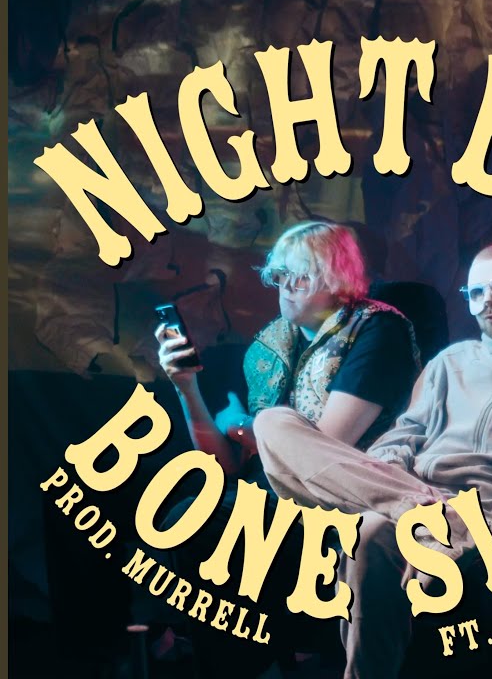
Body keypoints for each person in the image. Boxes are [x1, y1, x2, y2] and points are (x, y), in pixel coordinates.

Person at [254, 243, 492, 679]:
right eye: (476, 293)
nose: (488, 302)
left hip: (491, 513)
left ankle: (432, 517)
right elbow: (404, 436)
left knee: (369, 530)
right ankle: (431, 510)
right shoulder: (448, 363)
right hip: (420, 498)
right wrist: (383, 475)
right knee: (272, 423)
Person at [149, 220, 421, 678]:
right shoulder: (272, 344)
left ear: (338, 277)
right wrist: (185, 387)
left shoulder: (377, 331)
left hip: (338, 497)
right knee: (184, 514)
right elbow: (226, 467)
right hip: (269, 495)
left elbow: (321, 454)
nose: (284, 287)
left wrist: (242, 427)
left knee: (209, 525)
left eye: (299, 275)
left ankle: (248, 658)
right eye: (279, 275)